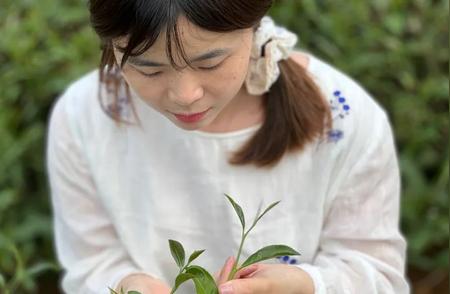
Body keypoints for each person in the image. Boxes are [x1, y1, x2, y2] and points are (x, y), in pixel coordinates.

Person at [46, 0, 410, 293]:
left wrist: (305, 285)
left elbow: (377, 274)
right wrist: (129, 285)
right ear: (112, 47)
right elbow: (90, 262)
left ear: (252, 28)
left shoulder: (342, 117)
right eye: (150, 69)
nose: (186, 95)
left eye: (211, 62)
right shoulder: (85, 119)